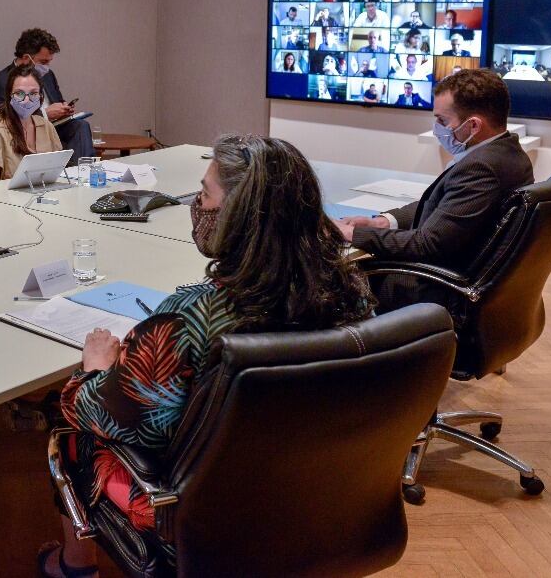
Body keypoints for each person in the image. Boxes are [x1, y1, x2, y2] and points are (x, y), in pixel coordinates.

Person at [37, 135, 373, 578]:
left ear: (237, 215)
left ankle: (74, 566)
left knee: (63, 420)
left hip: (209, 509)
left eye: (206, 194)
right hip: (323, 489)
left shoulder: (191, 318)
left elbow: (114, 416)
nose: (197, 203)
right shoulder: (349, 291)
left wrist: (97, 369)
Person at [338, 69, 534, 310]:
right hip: (457, 274)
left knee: (335, 274)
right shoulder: (508, 152)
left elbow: (426, 245)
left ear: (473, 125)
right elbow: (441, 208)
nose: (436, 128)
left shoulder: (481, 168)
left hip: (430, 291)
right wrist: (382, 222)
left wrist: (350, 234)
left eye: (442, 120)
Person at [0, 28, 93, 163]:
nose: (47, 67)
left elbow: (58, 100)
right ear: (26, 58)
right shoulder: (1, 81)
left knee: (80, 125)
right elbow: (2, 119)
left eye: (49, 61)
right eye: (43, 62)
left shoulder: (48, 75)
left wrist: (64, 109)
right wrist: (46, 114)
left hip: (53, 128)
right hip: (24, 132)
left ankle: (82, 173)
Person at [0, 64, 64, 181]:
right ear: (9, 96)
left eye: (33, 93)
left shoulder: (46, 126)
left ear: (41, 96)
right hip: (8, 197)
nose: (26, 100)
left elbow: (57, 168)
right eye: (19, 93)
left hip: (44, 193)